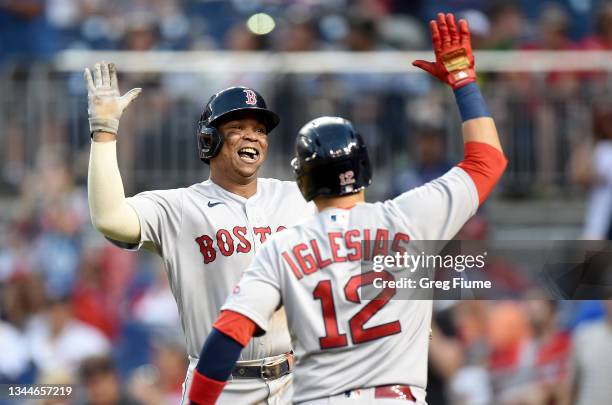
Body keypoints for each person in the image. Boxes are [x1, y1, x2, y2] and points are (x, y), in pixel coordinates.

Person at [188, 13, 507, 405]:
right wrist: (463, 81)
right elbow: (487, 161)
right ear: (365, 169)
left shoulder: (282, 248)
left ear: (303, 182)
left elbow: (225, 339)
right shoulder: (409, 218)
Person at [84, 63, 315, 404]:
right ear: (210, 139)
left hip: (297, 381)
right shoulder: (179, 207)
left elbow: (371, 237)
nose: (253, 136)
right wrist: (104, 130)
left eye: (260, 130)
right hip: (222, 387)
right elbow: (109, 218)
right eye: (237, 127)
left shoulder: (297, 196)